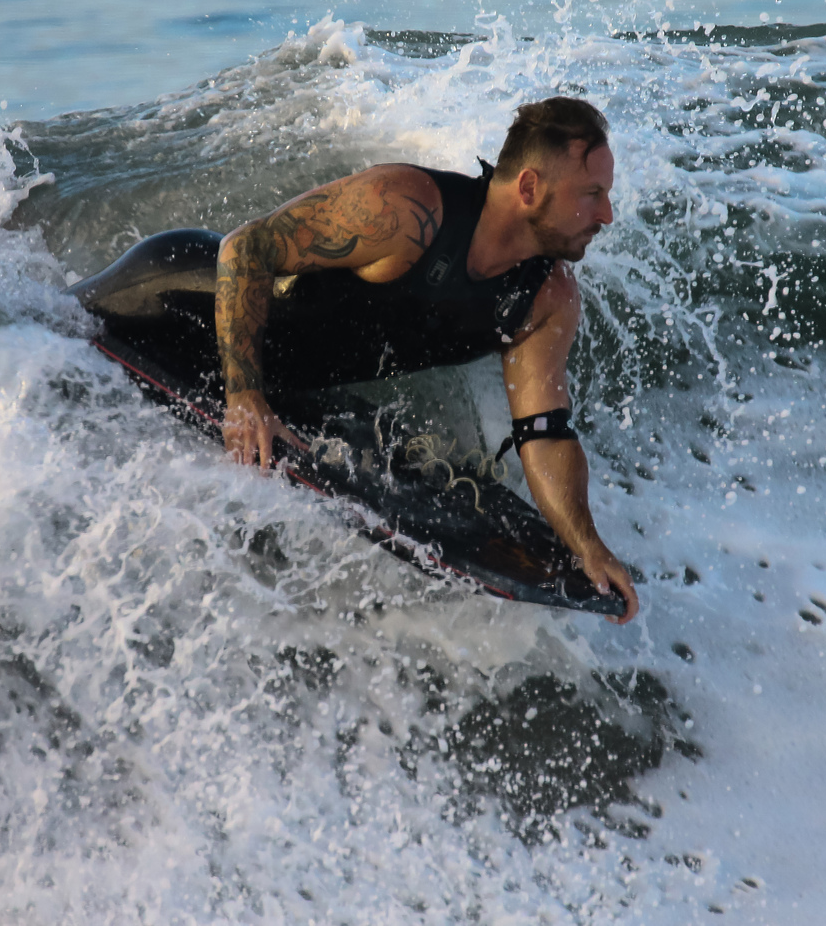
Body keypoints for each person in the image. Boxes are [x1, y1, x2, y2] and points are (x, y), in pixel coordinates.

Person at [214, 97, 638, 623]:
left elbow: (545, 434)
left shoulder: (548, 298)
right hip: (181, 308)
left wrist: (586, 545)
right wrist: (244, 397)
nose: (607, 215)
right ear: (529, 188)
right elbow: (245, 249)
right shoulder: (407, 208)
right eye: (592, 194)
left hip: (286, 384)